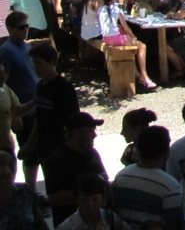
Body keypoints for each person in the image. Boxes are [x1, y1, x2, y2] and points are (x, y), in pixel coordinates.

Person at [19, 43, 79, 185]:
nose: (35, 67)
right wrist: (28, 145)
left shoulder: (65, 88)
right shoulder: (40, 86)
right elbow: (40, 120)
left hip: (62, 149)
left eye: (39, 63)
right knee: (51, 185)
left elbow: (75, 122)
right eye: (34, 63)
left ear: (51, 62)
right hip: (45, 149)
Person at [113, 125, 184, 230]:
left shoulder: (121, 177)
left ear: (138, 150)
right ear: (166, 153)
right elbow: (174, 225)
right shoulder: (170, 187)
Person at [43, 112, 108, 226]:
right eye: (90, 131)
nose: (95, 135)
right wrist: (87, 195)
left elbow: (104, 179)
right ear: (76, 133)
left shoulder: (92, 153)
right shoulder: (57, 160)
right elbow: (53, 197)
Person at [0, 12, 39, 185]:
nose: (25, 30)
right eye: (21, 27)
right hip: (21, 108)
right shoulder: (6, 51)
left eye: (27, 26)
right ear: (10, 29)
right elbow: (3, 82)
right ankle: (30, 188)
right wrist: (14, 114)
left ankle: (32, 189)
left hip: (33, 106)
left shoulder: (27, 47)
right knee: (29, 152)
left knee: (38, 149)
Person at [97, 0, 155, 89]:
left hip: (106, 38)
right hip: (115, 39)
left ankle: (136, 73)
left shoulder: (100, 9)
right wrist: (134, 37)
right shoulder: (116, 9)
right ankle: (144, 75)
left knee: (125, 35)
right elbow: (126, 28)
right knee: (142, 46)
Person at [0, 150, 48, 229]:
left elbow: (40, 222)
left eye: (5, 176)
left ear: (13, 174)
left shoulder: (25, 191)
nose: (2, 182)